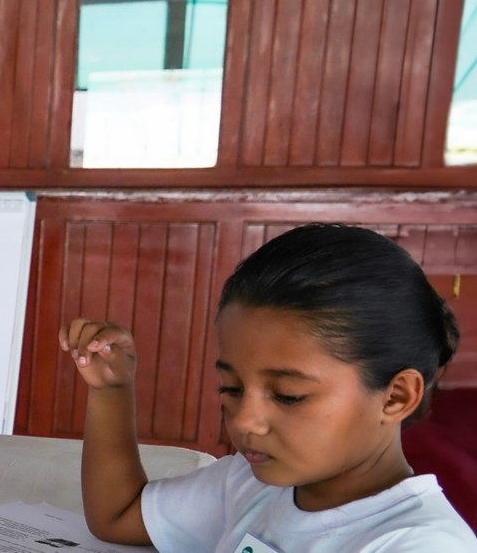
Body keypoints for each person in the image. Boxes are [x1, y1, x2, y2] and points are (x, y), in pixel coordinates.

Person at [61, 223, 477, 552]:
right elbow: (118, 515)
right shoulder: (252, 484)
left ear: (396, 396)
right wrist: (111, 391)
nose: (244, 421)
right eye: (231, 388)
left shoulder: (418, 544)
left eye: (288, 395)